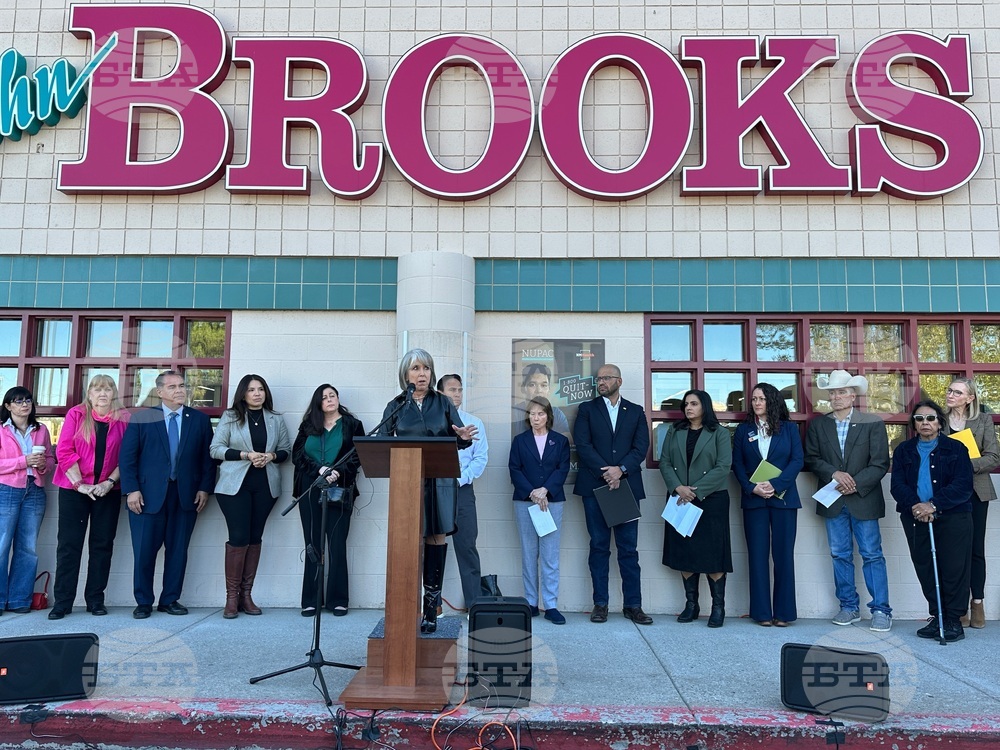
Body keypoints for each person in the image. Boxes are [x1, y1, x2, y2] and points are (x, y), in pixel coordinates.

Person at [378, 349, 478, 633]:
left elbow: (458, 439)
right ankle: (405, 606)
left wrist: (462, 439)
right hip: (408, 483)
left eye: (426, 368)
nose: (422, 374)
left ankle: (432, 606)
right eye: (416, 369)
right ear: (405, 375)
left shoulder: (443, 403)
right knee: (409, 539)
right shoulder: (396, 406)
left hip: (440, 480)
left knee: (436, 536)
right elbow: (382, 443)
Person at [119, 371, 215, 619]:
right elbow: (127, 458)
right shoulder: (143, 418)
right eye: (172, 387)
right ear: (159, 391)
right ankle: (143, 602)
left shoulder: (199, 420)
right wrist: (131, 489)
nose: (179, 390)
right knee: (144, 551)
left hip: (185, 496)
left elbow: (207, 459)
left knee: (178, 550)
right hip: (146, 497)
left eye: (182, 386)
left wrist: (204, 488)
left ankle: (170, 599)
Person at [804, 369, 892, 632]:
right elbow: (811, 458)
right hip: (833, 500)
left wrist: (853, 483)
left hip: (863, 499)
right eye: (832, 392)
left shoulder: (872, 423)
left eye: (842, 392)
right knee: (839, 554)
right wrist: (834, 474)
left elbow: (880, 463)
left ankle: (881, 610)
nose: (836, 397)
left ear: (853, 395)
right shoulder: (819, 424)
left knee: (872, 555)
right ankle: (848, 607)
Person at [573, 364, 652, 625]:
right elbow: (583, 445)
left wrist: (622, 470)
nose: (601, 382)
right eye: (598, 379)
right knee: (598, 547)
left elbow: (641, 447)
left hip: (626, 487)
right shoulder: (587, 410)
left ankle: (633, 605)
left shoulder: (636, 412)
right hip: (596, 488)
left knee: (628, 550)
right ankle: (601, 604)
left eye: (606, 378)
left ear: (619, 380)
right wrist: (607, 472)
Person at [890, 400, 974, 642]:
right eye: (919, 419)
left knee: (953, 569)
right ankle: (937, 615)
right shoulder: (903, 450)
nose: (925, 423)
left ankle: (953, 620)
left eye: (930, 418)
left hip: (952, 516)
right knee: (926, 566)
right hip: (915, 516)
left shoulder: (956, 448)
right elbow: (898, 485)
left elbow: (962, 485)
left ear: (939, 423)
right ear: (914, 424)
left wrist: (933, 505)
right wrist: (917, 507)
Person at [210, 374, 292, 619]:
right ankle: (232, 598)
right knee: (238, 537)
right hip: (234, 486)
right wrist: (245, 455)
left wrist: (271, 457)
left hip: (266, 486)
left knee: (255, 537)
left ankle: (247, 595)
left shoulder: (276, 419)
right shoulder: (230, 416)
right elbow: (216, 449)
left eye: (261, 389)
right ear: (243, 393)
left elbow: (286, 450)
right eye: (252, 390)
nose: (257, 394)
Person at [49, 375, 130, 619]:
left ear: (114, 393)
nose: (102, 393)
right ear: (89, 392)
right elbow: (64, 451)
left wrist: (109, 482)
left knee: (102, 546)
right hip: (74, 490)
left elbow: (127, 456)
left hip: (108, 490)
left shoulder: (124, 418)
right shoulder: (76, 414)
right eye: (97, 389)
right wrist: (79, 484)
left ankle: (95, 600)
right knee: (69, 546)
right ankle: (62, 602)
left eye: (107, 389)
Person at [659, 389, 733, 627]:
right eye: (686, 404)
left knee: (713, 555)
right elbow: (665, 462)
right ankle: (691, 605)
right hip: (680, 498)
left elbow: (723, 466)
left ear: (705, 407)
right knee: (685, 552)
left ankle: (718, 607)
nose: (688, 408)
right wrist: (678, 487)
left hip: (711, 500)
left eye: (694, 404)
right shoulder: (675, 430)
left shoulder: (719, 432)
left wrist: (696, 490)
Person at [731, 383, 803, 627]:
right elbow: (737, 463)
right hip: (754, 501)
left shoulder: (790, 429)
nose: (756, 403)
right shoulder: (743, 430)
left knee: (783, 556)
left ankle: (784, 613)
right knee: (758, 556)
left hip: (783, 499)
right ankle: (761, 612)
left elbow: (797, 460)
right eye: (753, 399)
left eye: (761, 398)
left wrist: (775, 484)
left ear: (772, 401)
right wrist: (752, 487)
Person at [292, 384, 364, 617]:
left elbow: (358, 456)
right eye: (324, 397)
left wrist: (337, 472)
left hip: (339, 490)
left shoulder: (353, 424)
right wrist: (319, 469)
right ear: (318, 403)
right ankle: (311, 599)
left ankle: (338, 599)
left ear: (338, 398)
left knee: (336, 544)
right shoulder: (308, 425)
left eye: (332, 395)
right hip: (310, 489)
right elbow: (298, 456)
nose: (329, 399)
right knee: (313, 544)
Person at [942, 377, 999, 629]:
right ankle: (958, 605)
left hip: (976, 492)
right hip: (947, 493)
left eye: (957, 392)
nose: (951, 395)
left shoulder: (983, 421)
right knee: (954, 551)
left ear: (970, 398)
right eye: (949, 390)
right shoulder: (939, 420)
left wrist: (964, 466)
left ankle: (977, 603)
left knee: (975, 549)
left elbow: (994, 456)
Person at [509, 397, 571, 624]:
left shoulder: (560, 441)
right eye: (532, 414)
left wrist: (545, 490)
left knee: (550, 553)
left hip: (552, 501)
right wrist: (533, 493)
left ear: (548, 416)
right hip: (525, 501)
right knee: (528, 552)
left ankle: (551, 604)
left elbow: (562, 468)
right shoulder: (519, 440)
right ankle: (531, 602)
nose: (536, 418)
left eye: (541, 414)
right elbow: (514, 468)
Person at [0, 387, 53, 614]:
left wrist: (43, 465)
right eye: (19, 401)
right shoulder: (2, 430)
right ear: (8, 406)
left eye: (28, 400)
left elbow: (50, 459)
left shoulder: (41, 430)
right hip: (6, 490)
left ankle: (20, 600)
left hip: (34, 490)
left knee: (28, 548)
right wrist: (23, 461)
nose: (24, 404)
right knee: (1, 546)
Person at [437, 374, 488, 610]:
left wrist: (459, 479)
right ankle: (432, 606)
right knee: (433, 547)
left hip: (463, 490)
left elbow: (480, 458)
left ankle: (474, 605)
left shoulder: (474, 422)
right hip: (435, 491)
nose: (457, 394)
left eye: (459, 390)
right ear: (440, 393)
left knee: (466, 546)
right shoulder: (433, 424)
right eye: (451, 390)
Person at [513, 363, 570, 436]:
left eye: (544, 385)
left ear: (549, 389)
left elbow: (566, 443)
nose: (539, 390)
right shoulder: (515, 413)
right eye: (532, 385)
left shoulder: (557, 415)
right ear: (523, 388)